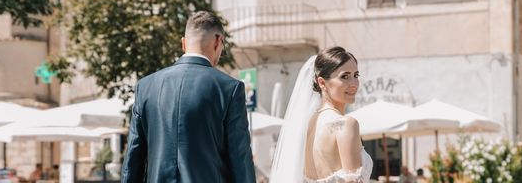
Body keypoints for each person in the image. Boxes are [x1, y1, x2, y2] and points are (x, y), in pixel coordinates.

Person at [121, 10, 256, 183]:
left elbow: (133, 161)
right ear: (218, 41)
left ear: (184, 44)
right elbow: (240, 158)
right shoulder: (230, 89)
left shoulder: (146, 87)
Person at [270, 46, 373, 183]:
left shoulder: (305, 126)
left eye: (356, 75)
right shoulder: (346, 125)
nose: (354, 83)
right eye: (345, 76)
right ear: (322, 82)